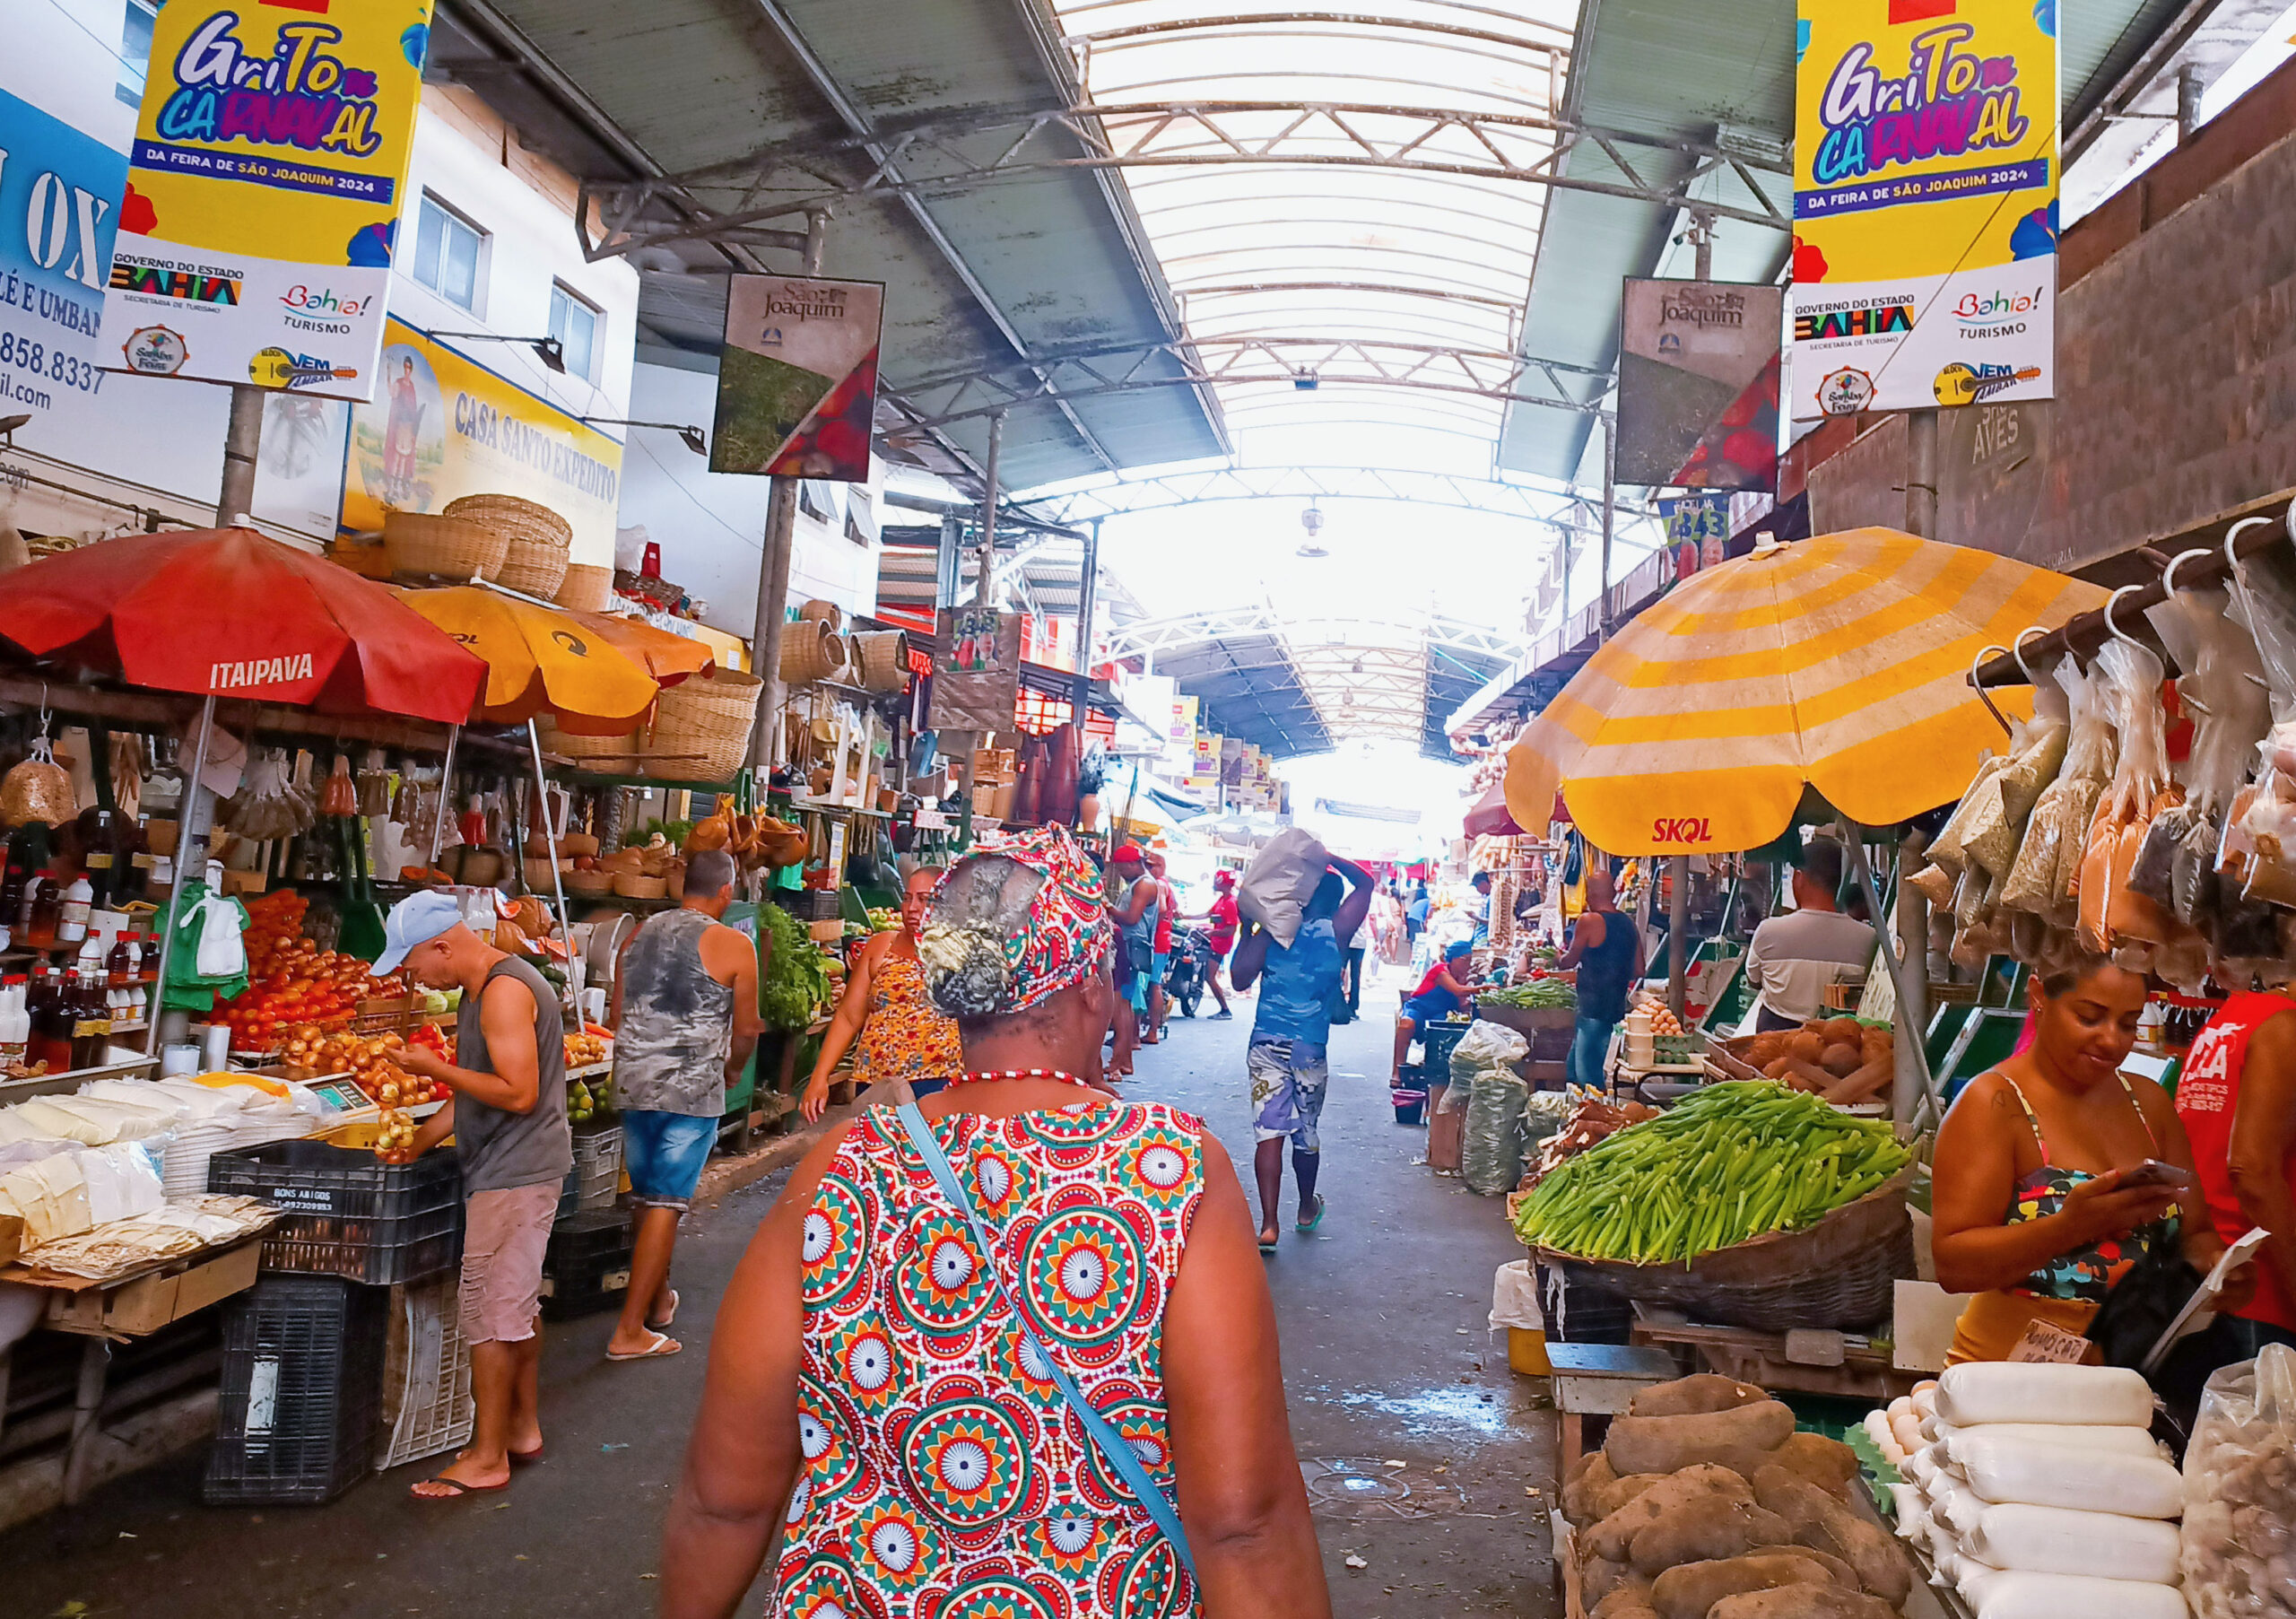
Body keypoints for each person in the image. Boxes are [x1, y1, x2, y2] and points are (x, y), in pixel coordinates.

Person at [659, 828, 1331, 1619]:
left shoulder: (842, 1167)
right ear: (1089, 985)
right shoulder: (1176, 1174)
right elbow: (1245, 1523)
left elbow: (724, 1499)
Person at [1930, 956, 2240, 1364]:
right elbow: (1953, 1266)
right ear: (2039, 996)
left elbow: (2195, 1233)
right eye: (2090, 1018)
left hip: (2127, 1378)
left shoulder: (2149, 1105)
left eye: (2128, 1023)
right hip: (2004, 1379)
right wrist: (2069, 1228)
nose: (2112, 1041)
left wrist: (2219, 1272)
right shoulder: (1994, 1102)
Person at [373, 891, 570, 1500]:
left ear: (441, 945)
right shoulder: (482, 989)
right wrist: (422, 1139)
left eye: (412, 963)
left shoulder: (505, 991)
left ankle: (487, 1456)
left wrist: (434, 1068)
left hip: (516, 1172)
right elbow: (477, 1092)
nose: (412, 976)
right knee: (514, 1304)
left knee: (489, 1313)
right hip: (513, 1167)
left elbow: (516, 1092)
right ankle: (520, 1428)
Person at [602, 849, 761, 1363]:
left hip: (632, 1081)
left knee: (648, 1200)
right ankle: (629, 1330)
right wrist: (734, 1071)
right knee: (666, 1204)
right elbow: (747, 1030)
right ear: (725, 892)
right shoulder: (735, 944)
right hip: (689, 1091)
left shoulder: (636, 935)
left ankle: (658, 1300)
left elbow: (618, 1008)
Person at [1231, 854, 1374, 1250]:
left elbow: (1239, 977)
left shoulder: (1273, 932)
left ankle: (1269, 1224)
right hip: (1309, 1046)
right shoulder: (1338, 932)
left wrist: (1247, 930)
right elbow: (1366, 884)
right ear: (1333, 902)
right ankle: (1306, 1209)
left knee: (1269, 1134)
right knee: (1306, 1131)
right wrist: (1327, 857)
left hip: (1265, 1043)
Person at [2164, 983, 2296, 1370]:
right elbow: (2252, 1172)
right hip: (2261, 1292)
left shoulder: (2236, 1016)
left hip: (2213, 1281)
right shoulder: (2285, 1028)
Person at [801, 865, 961, 1121]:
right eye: (907, 898)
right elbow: (849, 1017)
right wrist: (820, 1077)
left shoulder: (962, 954)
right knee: (876, 1155)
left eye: (924, 899)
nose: (912, 908)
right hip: (877, 1082)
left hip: (937, 1082)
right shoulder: (881, 945)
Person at [1744, 839, 1876, 1032]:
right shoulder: (1869, 938)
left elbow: (1753, 980)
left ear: (1799, 877)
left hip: (1774, 1046)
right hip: (1840, 1044)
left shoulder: (1769, 931)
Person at [1555, 866, 1641, 1092]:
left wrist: (1558, 957)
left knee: (1589, 1081)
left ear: (1590, 894)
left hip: (1592, 1008)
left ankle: (1593, 1120)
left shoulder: (1589, 920)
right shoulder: (1629, 924)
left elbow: (1568, 961)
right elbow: (1639, 969)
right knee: (1584, 1072)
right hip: (1616, 1009)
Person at [1391, 939, 1477, 1082]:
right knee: (1406, 1025)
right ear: (1453, 959)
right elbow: (1457, 990)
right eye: (1465, 960)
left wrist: (1466, 991)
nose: (1468, 964)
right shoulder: (1440, 970)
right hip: (1419, 1008)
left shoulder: (1462, 977)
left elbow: (1461, 1004)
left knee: (1443, 1033)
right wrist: (1482, 988)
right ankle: (1397, 1071)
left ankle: (1433, 1071)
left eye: (1470, 961)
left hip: (1440, 1012)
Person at [1109, 842, 1160, 1044]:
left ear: (1132, 864)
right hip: (1130, 944)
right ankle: (1125, 1047)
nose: (1120, 873)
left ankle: (1125, 1047)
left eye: (1121, 868)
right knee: (1122, 999)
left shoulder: (1144, 885)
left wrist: (1108, 908)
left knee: (1123, 1000)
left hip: (1132, 946)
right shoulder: (1138, 883)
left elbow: (1131, 918)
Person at [1183, 866, 1239, 1019]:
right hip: (1213, 941)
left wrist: (1213, 932)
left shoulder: (1231, 903)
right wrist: (1186, 917)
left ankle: (1225, 1009)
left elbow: (1230, 930)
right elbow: (1208, 914)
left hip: (1220, 945)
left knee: (1210, 977)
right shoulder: (1222, 900)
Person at [1148, 850, 1178, 1037]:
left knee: (1154, 984)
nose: (1149, 869)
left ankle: (1152, 1031)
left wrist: (1151, 928)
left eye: (1151, 866)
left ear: (1160, 866)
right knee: (1155, 983)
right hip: (1164, 938)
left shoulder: (1159, 884)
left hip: (1158, 938)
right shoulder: (1168, 885)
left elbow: (1161, 909)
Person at [1470, 869, 1494, 944]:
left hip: (1485, 939)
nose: (1477, 889)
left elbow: (1493, 923)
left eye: (1477, 886)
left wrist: (1474, 917)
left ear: (1483, 884)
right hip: (1479, 937)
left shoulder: (1492, 899)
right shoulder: (1486, 898)